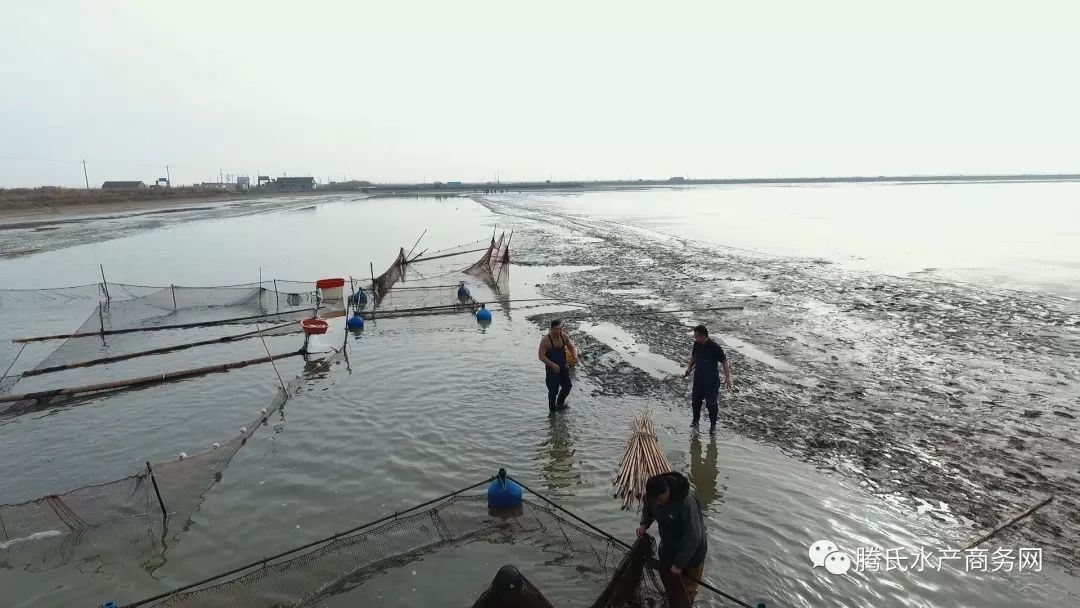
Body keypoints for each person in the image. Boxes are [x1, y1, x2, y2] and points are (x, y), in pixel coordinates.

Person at [636, 472, 707, 604]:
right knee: (670, 583)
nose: (657, 502)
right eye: (654, 500)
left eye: (659, 499)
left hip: (693, 553)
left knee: (687, 590)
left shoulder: (687, 501)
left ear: (667, 491)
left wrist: (679, 564)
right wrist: (644, 524)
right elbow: (648, 508)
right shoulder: (653, 496)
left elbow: (693, 537)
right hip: (670, 546)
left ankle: (689, 600)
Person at [683, 325, 732, 432]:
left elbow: (724, 361)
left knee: (711, 404)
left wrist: (727, 377)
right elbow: (694, 356)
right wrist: (689, 368)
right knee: (696, 401)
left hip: (711, 380)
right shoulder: (697, 344)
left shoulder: (715, 347)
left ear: (702, 336)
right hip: (699, 378)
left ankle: (713, 426)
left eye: (696, 336)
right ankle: (695, 422)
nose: (695, 338)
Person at [538, 319, 575, 412]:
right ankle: (552, 413)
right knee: (553, 392)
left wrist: (574, 354)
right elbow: (541, 356)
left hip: (563, 367)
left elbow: (571, 346)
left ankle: (560, 404)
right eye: (556, 329)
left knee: (567, 387)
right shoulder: (546, 340)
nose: (558, 331)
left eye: (560, 329)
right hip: (552, 370)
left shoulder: (563, 336)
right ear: (551, 329)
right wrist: (552, 365)